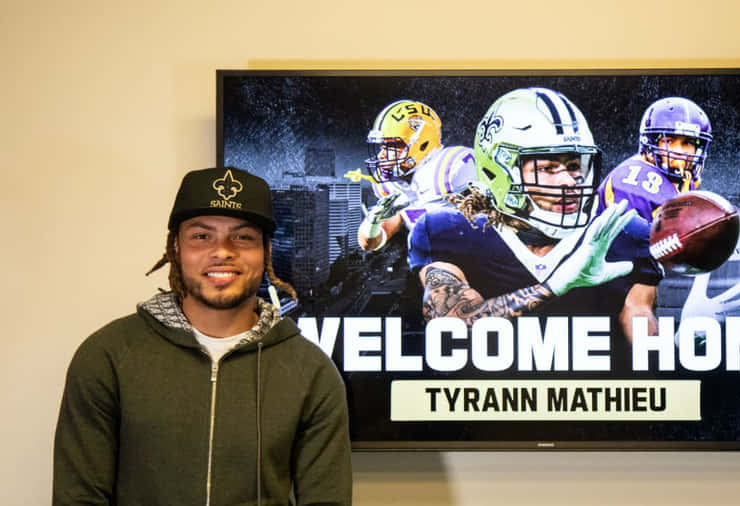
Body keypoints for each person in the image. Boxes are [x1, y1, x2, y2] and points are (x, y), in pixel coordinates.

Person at [53, 167, 352, 505]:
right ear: (176, 247)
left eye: (242, 237)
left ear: (266, 252)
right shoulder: (108, 355)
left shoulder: (311, 372)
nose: (223, 251)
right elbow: (78, 497)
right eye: (201, 236)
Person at [407, 87, 661, 336]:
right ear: (500, 171)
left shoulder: (625, 233)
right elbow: (451, 324)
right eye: (549, 168)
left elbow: (642, 337)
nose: (570, 181)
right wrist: (555, 286)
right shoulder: (448, 232)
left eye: (574, 166)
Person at [598, 97, 740, 338]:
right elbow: (634, 226)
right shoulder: (634, 180)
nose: (679, 151)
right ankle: (651, 363)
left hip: (631, 257)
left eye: (688, 143)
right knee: (639, 300)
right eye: (669, 141)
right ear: (650, 143)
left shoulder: (681, 177)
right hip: (611, 262)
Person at [357, 99, 476, 251]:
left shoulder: (453, 167)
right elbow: (368, 244)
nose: (382, 155)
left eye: (392, 146)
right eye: (382, 147)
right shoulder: (391, 185)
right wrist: (372, 224)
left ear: (422, 144)